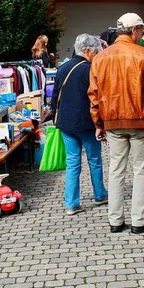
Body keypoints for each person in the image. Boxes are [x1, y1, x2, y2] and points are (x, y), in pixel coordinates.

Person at [88, 12, 144, 235]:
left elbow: (94, 94)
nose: (143, 34)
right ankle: (139, 221)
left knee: (116, 170)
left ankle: (116, 220)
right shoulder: (143, 54)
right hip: (141, 120)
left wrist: (98, 123)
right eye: (141, 30)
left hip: (113, 121)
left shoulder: (101, 57)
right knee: (141, 170)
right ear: (133, 31)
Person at [51, 34, 108, 216]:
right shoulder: (90, 70)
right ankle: (100, 195)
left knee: (73, 163)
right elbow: (97, 99)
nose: (98, 54)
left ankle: (72, 203)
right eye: (96, 51)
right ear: (88, 50)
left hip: (66, 123)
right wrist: (101, 123)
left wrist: (54, 118)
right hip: (87, 123)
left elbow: (55, 97)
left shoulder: (62, 68)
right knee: (94, 160)